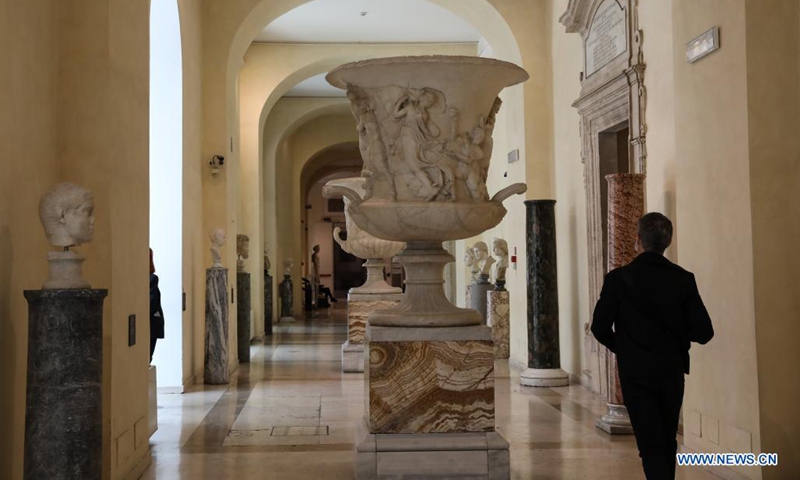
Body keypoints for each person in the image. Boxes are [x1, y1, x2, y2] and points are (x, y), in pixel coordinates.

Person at [591, 212, 714, 480]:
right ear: (668, 241)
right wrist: (676, 336)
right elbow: (705, 332)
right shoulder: (683, 279)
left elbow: (599, 328)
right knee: (667, 438)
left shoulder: (618, 279)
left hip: (635, 372)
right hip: (671, 370)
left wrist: (624, 347)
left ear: (638, 239)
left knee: (650, 443)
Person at [149, 248, 165, 363]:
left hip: (152, 323)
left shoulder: (152, 279)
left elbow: (152, 302)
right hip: (151, 322)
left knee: (147, 357)